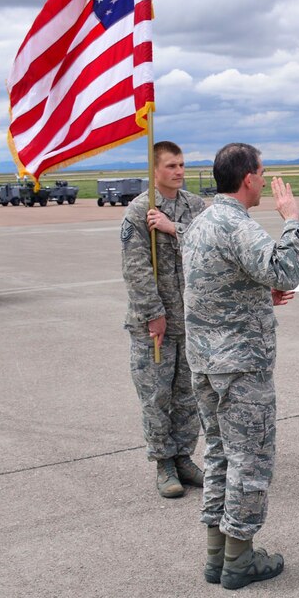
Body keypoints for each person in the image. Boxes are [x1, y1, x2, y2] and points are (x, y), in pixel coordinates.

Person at [183, 143, 299, 589]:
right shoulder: (237, 224)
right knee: (249, 460)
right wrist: (291, 218)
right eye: (262, 172)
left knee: (218, 456)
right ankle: (240, 561)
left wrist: (260, 294)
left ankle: (217, 557)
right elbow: (287, 269)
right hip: (240, 366)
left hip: (205, 363)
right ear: (249, 178)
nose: (264, 180)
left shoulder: (200, 222)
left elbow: (218, 283)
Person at [121, 140, 206, 498]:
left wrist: (174, 228)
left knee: (188, 394)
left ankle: (184, 456)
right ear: (154, 170)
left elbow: (208, 247)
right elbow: (136, 269)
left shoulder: (195, 206)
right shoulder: (139, 211)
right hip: (154, 324)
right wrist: (153, 314)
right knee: (156, 395)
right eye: (171, 166)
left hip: (191, 319)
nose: (179, 172)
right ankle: (164, 462)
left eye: (182, 165)